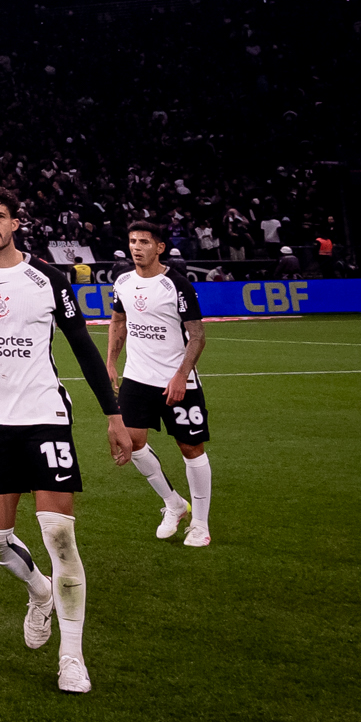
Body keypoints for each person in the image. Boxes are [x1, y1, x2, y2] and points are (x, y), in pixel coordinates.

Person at [0, 184, 124, 695]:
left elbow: (81, 346)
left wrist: (113, 414)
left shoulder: (47, 280)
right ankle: (38, 592)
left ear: (15, 223)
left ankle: (71, 658)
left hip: (45, 416)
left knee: (59, 535)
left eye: (0, 216)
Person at [107, 221, 213, 547]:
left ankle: (200, 523)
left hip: (176, 381)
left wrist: (181, 374)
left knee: (190, 448)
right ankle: (173, 503)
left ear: (159, 247)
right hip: (137, 378)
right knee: (131, 441)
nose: (136, 247)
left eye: (144, 242)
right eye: (132, 241)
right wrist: (111, 362)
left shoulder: (177, 285)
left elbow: (197, 336)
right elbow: (119, 321)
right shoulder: (123, 282)